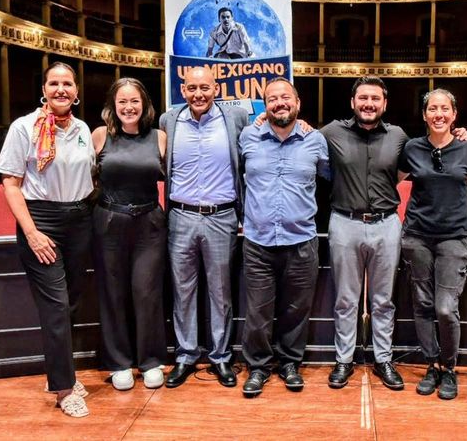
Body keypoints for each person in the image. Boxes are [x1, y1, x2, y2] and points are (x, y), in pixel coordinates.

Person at [0, 62, 94, 418]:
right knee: (54, 307)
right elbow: (10, 183)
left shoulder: (82, 129)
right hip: (42, 221)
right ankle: (64, 388)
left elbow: (90, 176)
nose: (61, 90)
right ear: (44, 88)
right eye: (54, 83)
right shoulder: (24, 128)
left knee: (69, 303)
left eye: (67, 83)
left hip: (79, 219)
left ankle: (59, 370)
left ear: (77, 91)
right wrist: (32, 232)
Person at [239, 77, 330, 398]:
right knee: (258, 312)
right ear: (265, 105)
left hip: (302, 241)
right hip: (258, 242)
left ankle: (290, 363)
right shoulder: (247, 137)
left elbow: (331, 180)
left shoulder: (315, 140)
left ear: (297, 103)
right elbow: (235, 180)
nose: (280, 103)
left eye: (286, 98)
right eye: (273, 98)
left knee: (296, 310)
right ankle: (259, 368)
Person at [159, 66, 248, 389]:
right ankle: (184, 355)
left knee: (221, 292)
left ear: (216, 89)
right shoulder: (168, 121)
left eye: (205, 88)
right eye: (192, 88)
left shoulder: (236, 118)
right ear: (182, 90)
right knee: (182, 291)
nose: (198, 94)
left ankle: (221, 357)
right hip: (180, 216)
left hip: (222, 217)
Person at [320, 76, 408, 391]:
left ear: (384, 104)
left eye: (375, 98)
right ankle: (344, 360)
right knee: (346, 299)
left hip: (386, 224)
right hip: (345, 222)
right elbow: (311, 154)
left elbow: (405, 169)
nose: (368, 104)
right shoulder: (331, 132)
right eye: (363, 98)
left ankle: (383, 359)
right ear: (352, 102)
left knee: (383, 299)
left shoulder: (398, 136)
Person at [398, 89, 467, 400]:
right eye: (432, 109)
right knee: (422, 305)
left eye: (444, 109)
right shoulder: (411, 148)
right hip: (417, 236)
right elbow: (392, 180)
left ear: (454, 114)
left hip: (454, 237)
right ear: (424, 115)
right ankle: (431, 364)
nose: (438, 114)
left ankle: (449, 367)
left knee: (446, 308)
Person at [91, 77, 167, 391]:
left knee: (146, 292)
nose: (128, 107)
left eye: (134, 101)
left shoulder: (160, 137)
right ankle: (119, 362)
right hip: (109, 220)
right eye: (122, 101)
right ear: (113, 106)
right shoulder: (98, 136)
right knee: (113, 293)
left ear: (144, 104)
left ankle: (150, 361)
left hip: (149, 222)